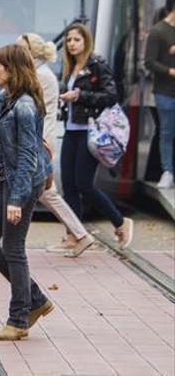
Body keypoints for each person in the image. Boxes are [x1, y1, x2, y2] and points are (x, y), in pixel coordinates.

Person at [0, 44, 54, 341]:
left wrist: (18, 200)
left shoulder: (24, 106)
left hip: (22, 182)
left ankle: (19, 319)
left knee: (13, 247)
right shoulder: (8, 99)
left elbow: (27, 157)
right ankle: (34, 297)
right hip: (2, 178)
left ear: (12, 70)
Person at [18, 33, 95, 257]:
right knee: (44, 192)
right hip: (39, 138)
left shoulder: (40, 75)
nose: (17, 52)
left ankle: (80, 235)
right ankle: (80, 234)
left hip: (40, 139)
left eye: (21, 48)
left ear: (32, 51)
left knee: (42, 191)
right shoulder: (38, 73)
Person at [59, 23, 133, 247]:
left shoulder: (97, 64)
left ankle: (120, 222)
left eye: (76, 40)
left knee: (84, 185)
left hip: (89, 132)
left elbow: (111, 96)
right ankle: (74, 235)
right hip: (71, 130)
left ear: (86, 41)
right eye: (69, 40)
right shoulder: (70, 67)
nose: (72, 44)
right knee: (68, 185)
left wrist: (80, 95)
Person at [145, 0, 175, 188]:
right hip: (165, 92)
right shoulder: (158, 31)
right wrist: (170, 70)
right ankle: (167, 171)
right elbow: (149, 62)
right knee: (166, 132)